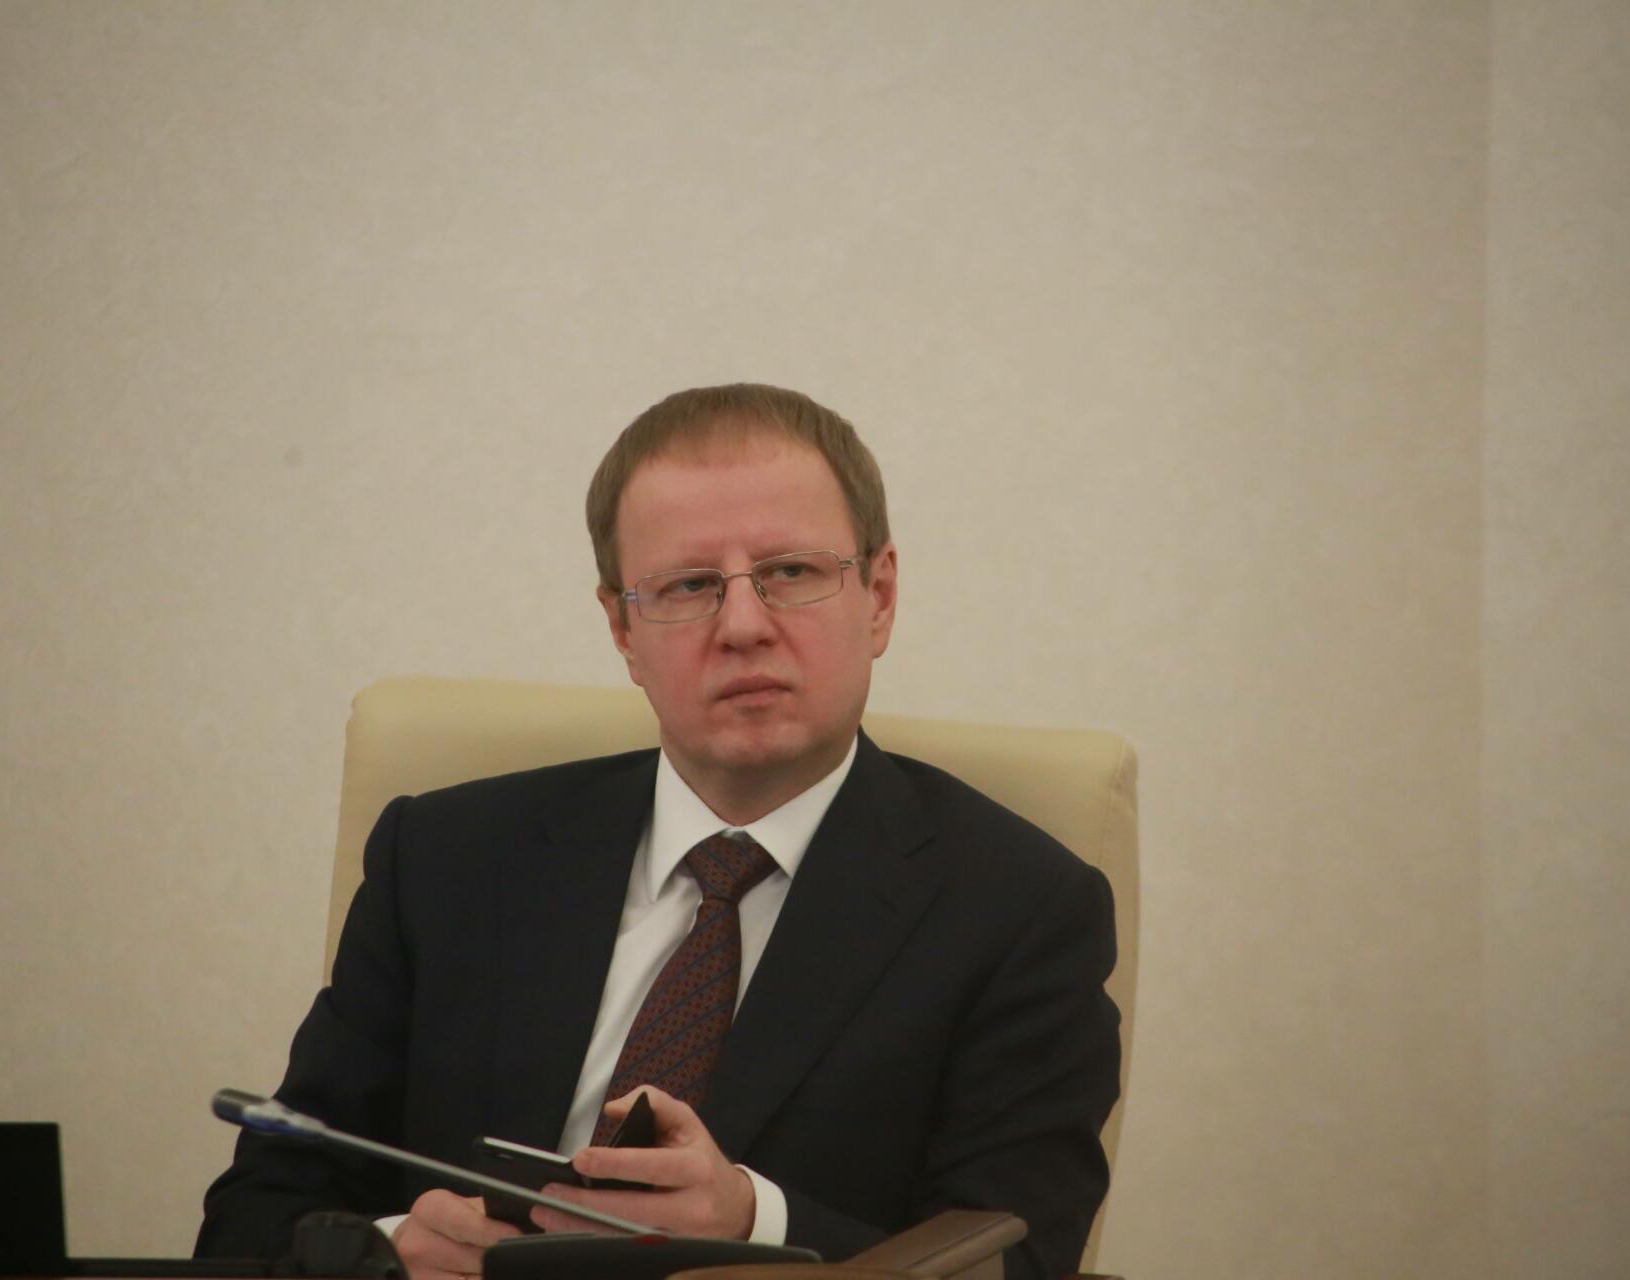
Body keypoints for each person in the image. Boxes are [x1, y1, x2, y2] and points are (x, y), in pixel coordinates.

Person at [195, 384, 1122, 1280]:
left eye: (791, 573)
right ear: (622, 630)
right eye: (687, 585)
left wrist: (753, 1221)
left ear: (878, 597)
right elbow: (261, 1205)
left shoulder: (1021, 910)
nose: (744, 626)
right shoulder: (444, 860)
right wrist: (383, 1250)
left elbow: (1014, 1259)